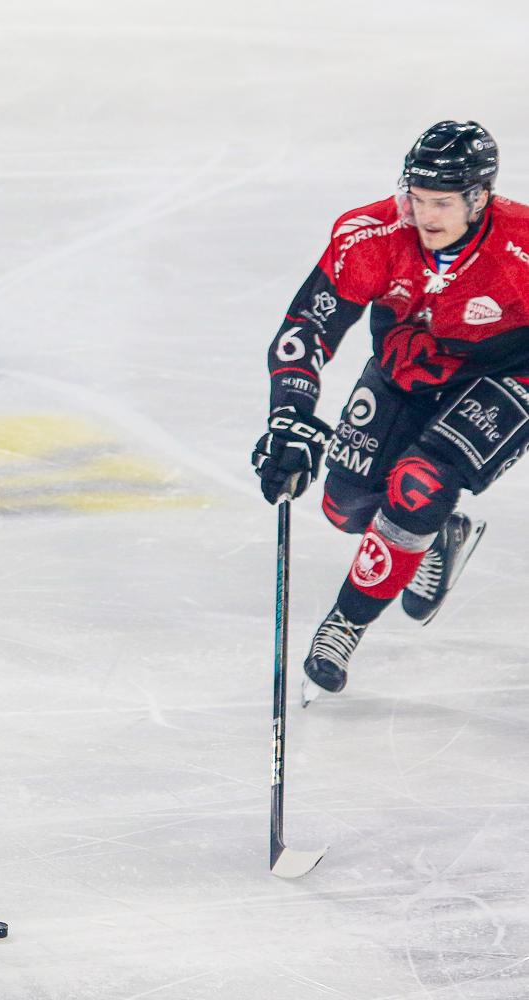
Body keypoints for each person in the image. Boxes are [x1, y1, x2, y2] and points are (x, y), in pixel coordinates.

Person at [252, 120, 529, 699]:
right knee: (346, 506)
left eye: (443, 203)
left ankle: (343, 624)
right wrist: (290, 417)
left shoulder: (521, 246)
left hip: (507, 372)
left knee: (421, 485)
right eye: (418, 197)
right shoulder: (371, 233)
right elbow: (306, 328)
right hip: (407, 369)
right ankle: (435, 533)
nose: (425, 215)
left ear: (480, 198)